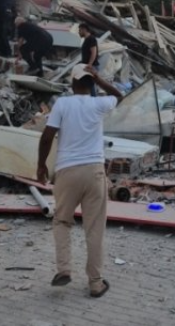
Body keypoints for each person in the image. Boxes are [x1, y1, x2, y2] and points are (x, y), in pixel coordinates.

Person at [36, 63, 123, 298]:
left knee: (62, 221)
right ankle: (95, 282)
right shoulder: (99, 104)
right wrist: (100, 78)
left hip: (67, 171)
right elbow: (119, 95)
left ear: (72, 83)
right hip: (94, 172)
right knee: (94, 228)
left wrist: (41, 165)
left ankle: (64, 269)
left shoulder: (62, 104)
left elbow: (46, 138)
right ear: (91, 84)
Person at [79, 24, 99, 96]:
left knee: (91, 86)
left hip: (91, 66)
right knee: (88, 85)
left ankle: (94, 100)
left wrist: (89, 64)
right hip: (87, 66)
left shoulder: (91, 39)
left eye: (80, 30)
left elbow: (94, 52)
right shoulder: (87, 39)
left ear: (84, 29)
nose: (79, 32)